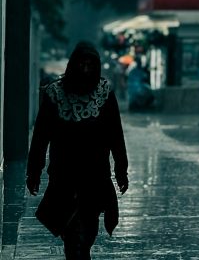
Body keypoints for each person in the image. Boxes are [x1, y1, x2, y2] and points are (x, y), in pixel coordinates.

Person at [26, 41, 129, 260]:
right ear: (73, 65)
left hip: (95, 177)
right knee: (73, 237)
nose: (85, 69)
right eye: (81, 64)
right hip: (64, 178)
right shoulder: (54, 94)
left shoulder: (104, 93)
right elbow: (41, 136)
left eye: (90, 65)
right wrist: (34, 170)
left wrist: (122, 169)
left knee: (86, 234)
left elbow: (115, 135)